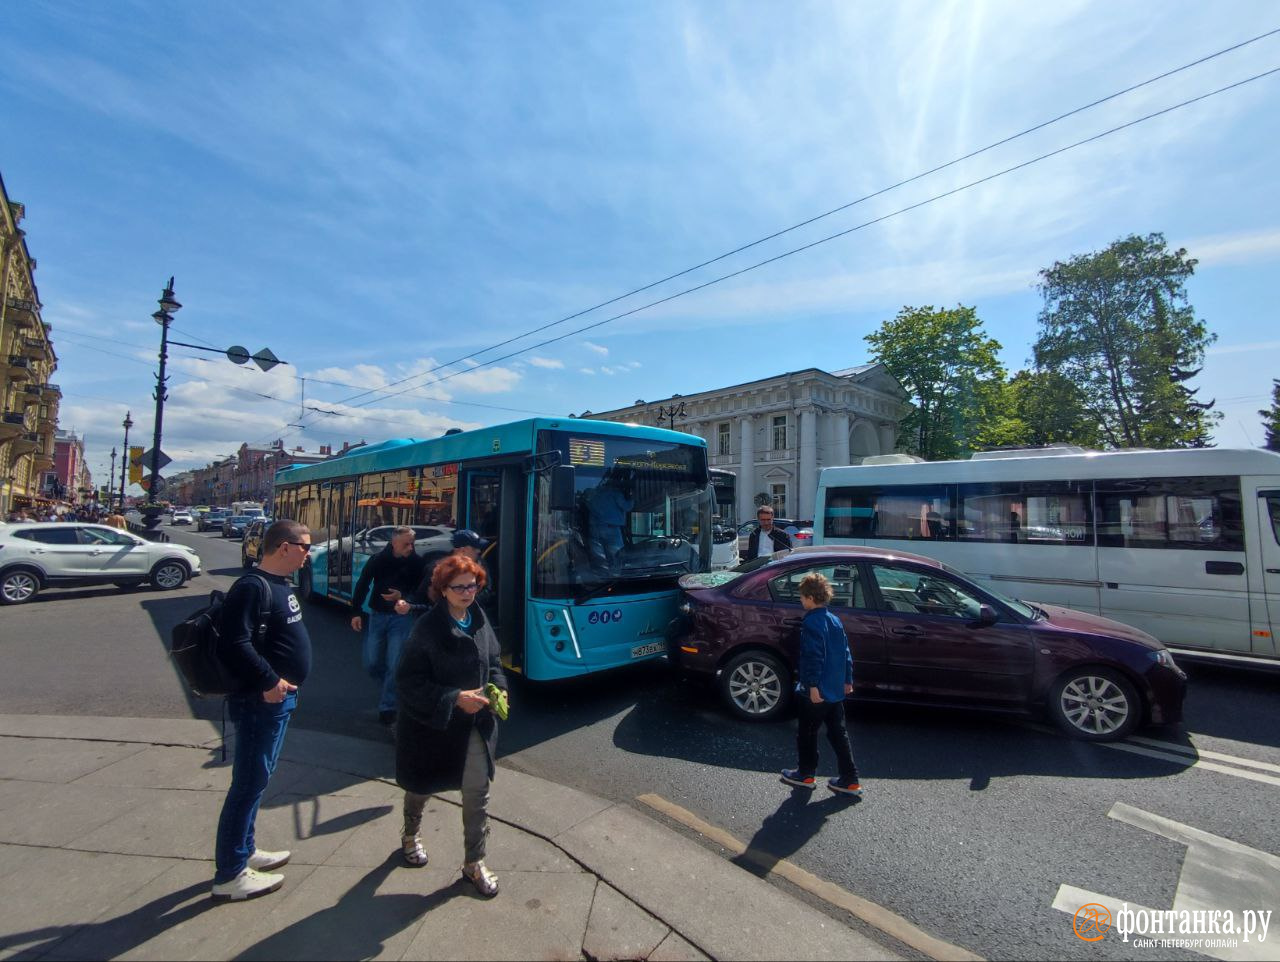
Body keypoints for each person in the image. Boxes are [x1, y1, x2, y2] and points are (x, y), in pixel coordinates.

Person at [211, 520, 313, 901]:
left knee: (258, 779)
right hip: (260, 700)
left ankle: (246, 848)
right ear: (284, 547)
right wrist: (270, 681)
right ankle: (231, 873)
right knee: (248, 784)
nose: (308, 553)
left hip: (276, 699)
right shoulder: (251, 587)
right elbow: (233, 643)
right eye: (304, 546)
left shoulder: (278, 584)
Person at [394, 554, 508, 897]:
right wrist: (454, 697)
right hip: (433, 728)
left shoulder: (479, 617)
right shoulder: (426, 628)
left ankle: (474, 862)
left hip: (475, 725)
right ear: (443, 589)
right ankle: (411, 833)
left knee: (477, 793)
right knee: (421, 786)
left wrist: (499, 689)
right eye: (458, 587)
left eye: (472, 585)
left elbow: (494, 662)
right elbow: (407, 682)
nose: (467, 592)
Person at [780, 572, 861, 797]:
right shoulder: (834, 620)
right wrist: (848, 680)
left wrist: (812, 686)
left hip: (815, 690)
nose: (801, 601)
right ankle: (850, 779)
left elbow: (812, 657)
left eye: (802, 597)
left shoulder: (811, 622)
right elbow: (845, 652)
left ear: (810, 598)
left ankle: (805, 774)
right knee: (838, 733)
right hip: (836, 688)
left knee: (807, 733)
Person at [350, 526, 427, 725]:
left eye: (412, 543)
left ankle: (388, 707)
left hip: (401, 618)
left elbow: (422, 593)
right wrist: (356, 612)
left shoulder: (417, 563)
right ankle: (395, 688)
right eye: (406, 544)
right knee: (372, 663)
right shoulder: (378, 560)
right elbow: (363, 583)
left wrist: (402, 596)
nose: (410, 547)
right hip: (377, 615)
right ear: (393, 543)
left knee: (394, 663)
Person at [396, 529, 491, 616]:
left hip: (473, 615)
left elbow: (487, 589)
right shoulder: (438, 567)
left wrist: (468, 602)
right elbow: (421, 597)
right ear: (462, 550)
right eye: (475, 548)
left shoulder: (480, 563)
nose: (479, 551)